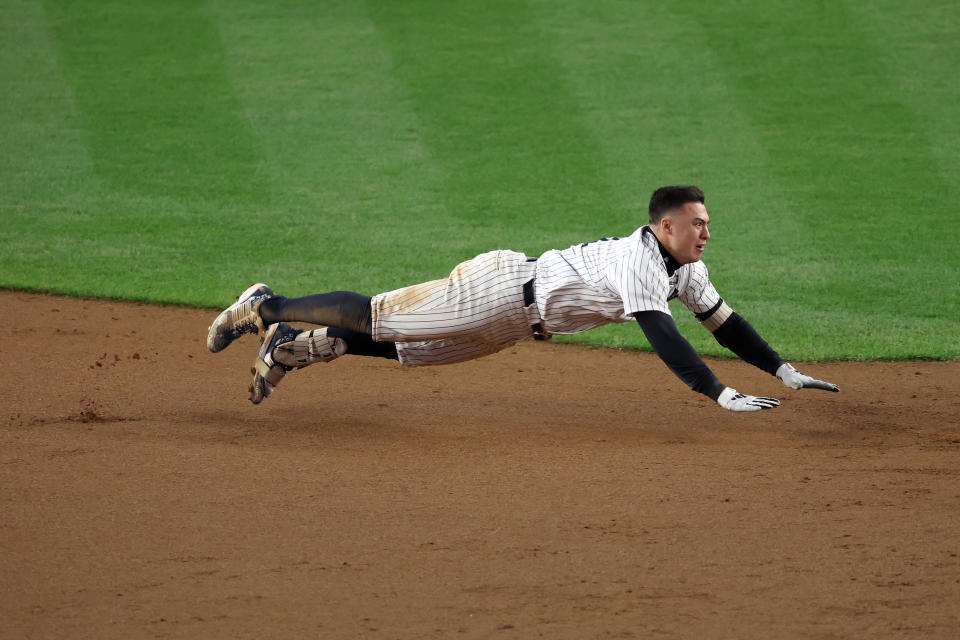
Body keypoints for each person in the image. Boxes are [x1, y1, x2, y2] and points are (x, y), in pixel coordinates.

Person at [207, 185, 838, 410]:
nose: (707, 232)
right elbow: (664, 333)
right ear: (665, 225)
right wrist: (716, 392)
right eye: (697, 223)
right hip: (501, 289)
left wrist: (780, 370)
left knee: (409, 350)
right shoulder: (640, 260)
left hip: (515, 323)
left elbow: (723, 325)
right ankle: (268, 305)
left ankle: (297, 347)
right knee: (383, 314)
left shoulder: (683, 270)